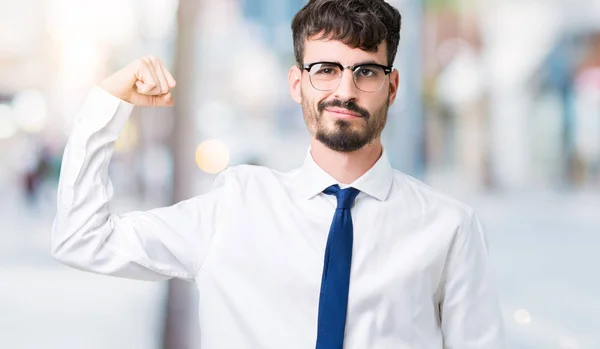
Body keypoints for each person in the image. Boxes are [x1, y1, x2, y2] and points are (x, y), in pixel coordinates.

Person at [51, 0, 505, 348]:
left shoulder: (449, 227)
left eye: (365, 71)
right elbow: (81, 239)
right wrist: (108, 104)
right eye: (325, 70)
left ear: (392, 85)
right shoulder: (235, 206)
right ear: (296, 83)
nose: (344, 91)